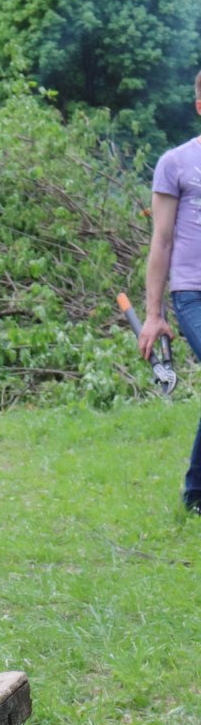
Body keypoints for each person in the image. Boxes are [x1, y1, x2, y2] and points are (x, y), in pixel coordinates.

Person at [140, 72, 201, 511]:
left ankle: (195, 494)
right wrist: (152, 313)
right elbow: (160, 242)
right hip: (192, 293)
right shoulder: (176, 163)